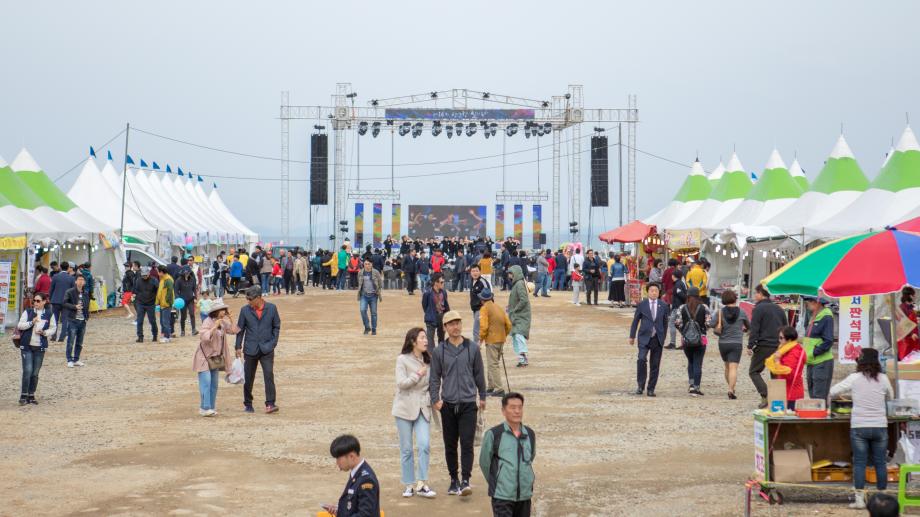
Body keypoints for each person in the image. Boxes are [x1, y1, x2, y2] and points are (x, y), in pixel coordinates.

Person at [429, 310, 487, 497]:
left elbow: (479, 373)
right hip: (448, 404)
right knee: (450, 444)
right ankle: (453, 479)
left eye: (458, 323)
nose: (455, 327)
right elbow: (434, 377)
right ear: (445, 328)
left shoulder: (472, 348)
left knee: (467, 443)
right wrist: (435, 400)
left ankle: (466, 480)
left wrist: (483, 396)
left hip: (469, 403)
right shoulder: (439, 351)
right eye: (451, 324)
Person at [830, 348, 894, 510]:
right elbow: (891, 397)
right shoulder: (884, 378)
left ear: (860, 362)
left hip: (859, 426)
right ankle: (882, 498)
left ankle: (859, 500)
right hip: (880, 426)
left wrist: (853, 396)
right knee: (880, 463)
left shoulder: (854, 378)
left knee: (859, 463)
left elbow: (832, 391)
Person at [392, 328, 437, 498]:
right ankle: (409, 484)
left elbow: (434, 383)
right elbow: (401, 383)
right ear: (413, 341)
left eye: (426, 338)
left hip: (423, 408)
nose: (426, 341)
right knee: (406, 449)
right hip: (404, 407)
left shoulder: (429, 360)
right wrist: (417, 374)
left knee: (424, 445)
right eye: (422, 338)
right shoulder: (402, 360)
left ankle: (422, 483)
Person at [479, 392, 535, 517]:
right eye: (512, 407)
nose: (517, 411)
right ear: (503, 411)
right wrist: (498, 481)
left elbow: (531, 457)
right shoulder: (494, 434)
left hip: (525, 495)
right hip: (502, 496)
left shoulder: (530, 434)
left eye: (520, 407)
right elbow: (484, 463)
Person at [234, 286, 282, 414]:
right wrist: (238, 346)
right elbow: (240, 329)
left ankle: (270, 403)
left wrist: (273, 342)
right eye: (247, 299)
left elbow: (276, 326)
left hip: (267, 348)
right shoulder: (244, 310)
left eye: (250, 299)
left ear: (259, 297)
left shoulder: (272, 308)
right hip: (250, 349)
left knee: (268, 375)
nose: (248, 301)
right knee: (248, 377)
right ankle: (248, 404)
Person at [193, 302, 237, 416]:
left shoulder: (222, 322)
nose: (224, 312)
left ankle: (211, 407)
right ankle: (204, 408)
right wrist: (214, 327)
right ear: (216, 311)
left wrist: (231, 319)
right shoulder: (207, 321)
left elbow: (234, 331)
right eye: (222, 310)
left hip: (215, 358)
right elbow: (204, 337)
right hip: (203, 358)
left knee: (214, 384)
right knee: (206, 382)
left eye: (224, 310)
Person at [748, 284, 788, 408]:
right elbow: (786, 327)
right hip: (778, 346)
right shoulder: (779, 309)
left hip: (763, 345)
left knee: (754, 371)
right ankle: (778, 401)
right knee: (775, 372)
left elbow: (754, 329)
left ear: (761, 293)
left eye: (756, 293)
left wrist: (750, 345)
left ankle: (766, 395)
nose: (755, 296)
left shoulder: (758, 309)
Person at [323, 434, 380, 517]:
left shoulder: (366, 480)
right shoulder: (357, 472)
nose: (337, 463)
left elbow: (365, 514)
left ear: (351, 456)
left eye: (338, 459)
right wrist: (339, 510)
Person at [629, 282, 668, 397]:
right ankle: (640, 385)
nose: (654, 292)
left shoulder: (663, 305)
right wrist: (632, 336)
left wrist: (663, 337)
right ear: (648, 292)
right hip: (644, 337)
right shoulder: (642, 304)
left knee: (655, 364)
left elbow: (665, 323)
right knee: (641, 359)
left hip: (657, 338)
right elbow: (635, 321)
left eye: (656, 290)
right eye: (652, 290)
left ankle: (651, 388)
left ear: (659, 292)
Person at [16, 292, 55, 405]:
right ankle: (23, 395)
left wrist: (44, 332)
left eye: (38, 301)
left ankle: (31, 394)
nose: (35, 303)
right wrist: (31, 322)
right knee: (27, 370)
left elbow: (53, 328)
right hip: (26, 346)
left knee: (35, 372)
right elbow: (20, 325)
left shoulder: (49, 314)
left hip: (40, 347)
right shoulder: (28, 312)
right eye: (34, 301)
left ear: (44, 302)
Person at [711, 289, 749, 399]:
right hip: (736, 343)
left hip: (723, 343)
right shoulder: (742, 312)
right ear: (735, 299)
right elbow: (749, 326)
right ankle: (731, 389)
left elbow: (712, 324)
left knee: (727, 367)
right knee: (734, 368)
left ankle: (730, 387)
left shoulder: (720, 312)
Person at [675, 287, 710, 396]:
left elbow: (677, 323)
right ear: (698, 295)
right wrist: (702, 330)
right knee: (698, 363)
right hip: (701, 340)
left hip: (686, 340)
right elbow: (708, 323)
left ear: (688, 296)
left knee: (690, 362)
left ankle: (691, 385)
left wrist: (683, 331)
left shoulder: (682, 308)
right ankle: (696, 387)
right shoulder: (704, 307)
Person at [479, 288, 512, 397]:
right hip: (501, 339)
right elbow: (508, 325)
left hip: (491, 340)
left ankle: (499, 389)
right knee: (492, 363)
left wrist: (480, 340)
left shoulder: (484, 308)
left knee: (493, 364)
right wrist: (503, 335)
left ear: (482, 300)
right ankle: (491, 386)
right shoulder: (498, 307)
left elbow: (484, 327)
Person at [804, 296, 835, 402]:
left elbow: (828, 340)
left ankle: (819, 417)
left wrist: (814, 352)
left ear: (817, 302)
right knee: (813, 395)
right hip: (811, 361)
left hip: (821, 362)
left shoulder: (826, 317)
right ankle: (814, 417)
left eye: (809, 301)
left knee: (819, 398)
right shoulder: (814, 316)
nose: (807, 303)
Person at [766, 326, 805, 410]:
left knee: (787, 421)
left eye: (781, 338)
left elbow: (789, 374)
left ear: (789, 339)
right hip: (786, 391)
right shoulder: (786, 349)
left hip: (791, 394)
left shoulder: (794, 352)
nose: (779, 340)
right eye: (779, 337)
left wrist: (777, 361)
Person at [507, 265, 532, 367]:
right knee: (515, 335)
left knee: (518, 334)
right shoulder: (517, 284)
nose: (509, 275)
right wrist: (510, 308)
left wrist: (514, 309)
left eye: (511, 273)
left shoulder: (519, 284)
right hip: (517, 314)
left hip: (521, 315)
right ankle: (521, 358)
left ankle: (523, 356)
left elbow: (524, 300)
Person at [63, 274, 90, 368]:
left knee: (80, 342)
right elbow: (64, 303)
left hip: (83, 321)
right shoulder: (70, 292)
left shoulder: (86, 293)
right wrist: (74, 307)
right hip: (73, 320)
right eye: (79, 279)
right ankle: (69, 359)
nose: (81, 281)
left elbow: (87, 305)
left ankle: (76, 359)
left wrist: (87, 317)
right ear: (75, 281)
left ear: (85, 282)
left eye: (82, 280)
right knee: (70, 340)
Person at [421, 272, 449, 352]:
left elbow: (446, 305)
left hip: (441, 317)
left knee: (441, 336)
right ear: (436, 282)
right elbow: (424, 305)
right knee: (430, 338)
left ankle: (441, 353)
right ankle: (431, 355)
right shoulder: (427, 293)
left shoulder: (443, 292)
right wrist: (429, 313)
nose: (443, 284)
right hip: (431, 316)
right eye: (441, 282)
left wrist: (446, 318)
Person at [49, 261, 75, 342]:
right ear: (68, 268)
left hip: (55, 300)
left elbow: (51, 289)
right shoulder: (71, 278)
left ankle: (53, 336)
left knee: (54, 320)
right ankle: (62, 337)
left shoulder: (55, 277)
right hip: (66, 302)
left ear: (60, 267)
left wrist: (50, 298)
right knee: (65, 320)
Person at [357, 259, 382, 336]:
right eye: (365, 264)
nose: (367, 265)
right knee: (362, 310)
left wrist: (377, 291)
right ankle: (367, 327)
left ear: (372, 264)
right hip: (364, 295)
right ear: (363, 264)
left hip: (373, 296)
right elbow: (360, 283)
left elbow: (380, 283)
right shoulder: (360, 272)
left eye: (369, 264)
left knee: (374, 313)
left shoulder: (376, 272)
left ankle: (374, 329)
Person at [469, 264, 491, 346]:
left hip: (481, 309)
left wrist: (487, 309)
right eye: (473, 271)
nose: (474, 273)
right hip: (475, 309)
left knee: (476, 331)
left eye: (476, 271)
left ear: (480, 272)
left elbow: (489, 295)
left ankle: (476, 350)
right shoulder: (472, 281)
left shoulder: (483, 282)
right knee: (481, 330)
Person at [666, 269, 688, 349]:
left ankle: (673, 343)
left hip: (677, 307)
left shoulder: (678, 284)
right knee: (679, 325)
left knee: (672, 323)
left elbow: (682, 295)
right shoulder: (680, 283)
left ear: (673, 276)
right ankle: (684, 342)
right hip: (680, 307)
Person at [175, 266, 198, 337]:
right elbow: (176, 291)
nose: (187, 274)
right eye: (185, 273)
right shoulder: (179, 280)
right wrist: (178, 298)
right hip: (182, 300)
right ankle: (182, 331)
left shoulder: (192, 279)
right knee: (183, 316)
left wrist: (195, 298)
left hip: (191, 299)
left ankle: (194, 329)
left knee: (192, 314)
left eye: (188, 273)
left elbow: (194, 289)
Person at [155, 265, 175, 343]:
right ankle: (167, 335)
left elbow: (170, 292)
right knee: (163, 321)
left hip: (166, 304)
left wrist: (167, 302)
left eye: (158, 271)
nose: (157, 273)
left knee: (165, 321)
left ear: (161, 272)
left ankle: (167, 337)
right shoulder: (163, 279)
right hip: (162, 304)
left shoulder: (168, 280)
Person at [898, 286, 919, 359]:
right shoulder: (902, 308)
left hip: (914, 335)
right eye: (914, 295)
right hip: (907, 337)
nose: (915, 296)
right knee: (907, 357)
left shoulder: (912, 306)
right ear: (910, 296)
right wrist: (911, 333)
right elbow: (903, 322)